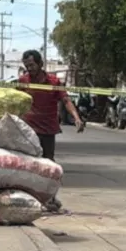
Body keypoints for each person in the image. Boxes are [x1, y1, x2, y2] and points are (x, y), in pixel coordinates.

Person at [19, 50, 84, 211]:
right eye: (27, 66)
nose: (29, 69)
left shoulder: (53, 81)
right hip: (28, 131)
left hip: (48, 130)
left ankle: (50, 198)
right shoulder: (23, 81)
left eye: (32, 65)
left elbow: (66, 100)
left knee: (49, 166)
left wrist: (76, 117)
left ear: (41, 64)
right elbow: (16, 101)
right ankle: (30, 198)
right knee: (29, 165)